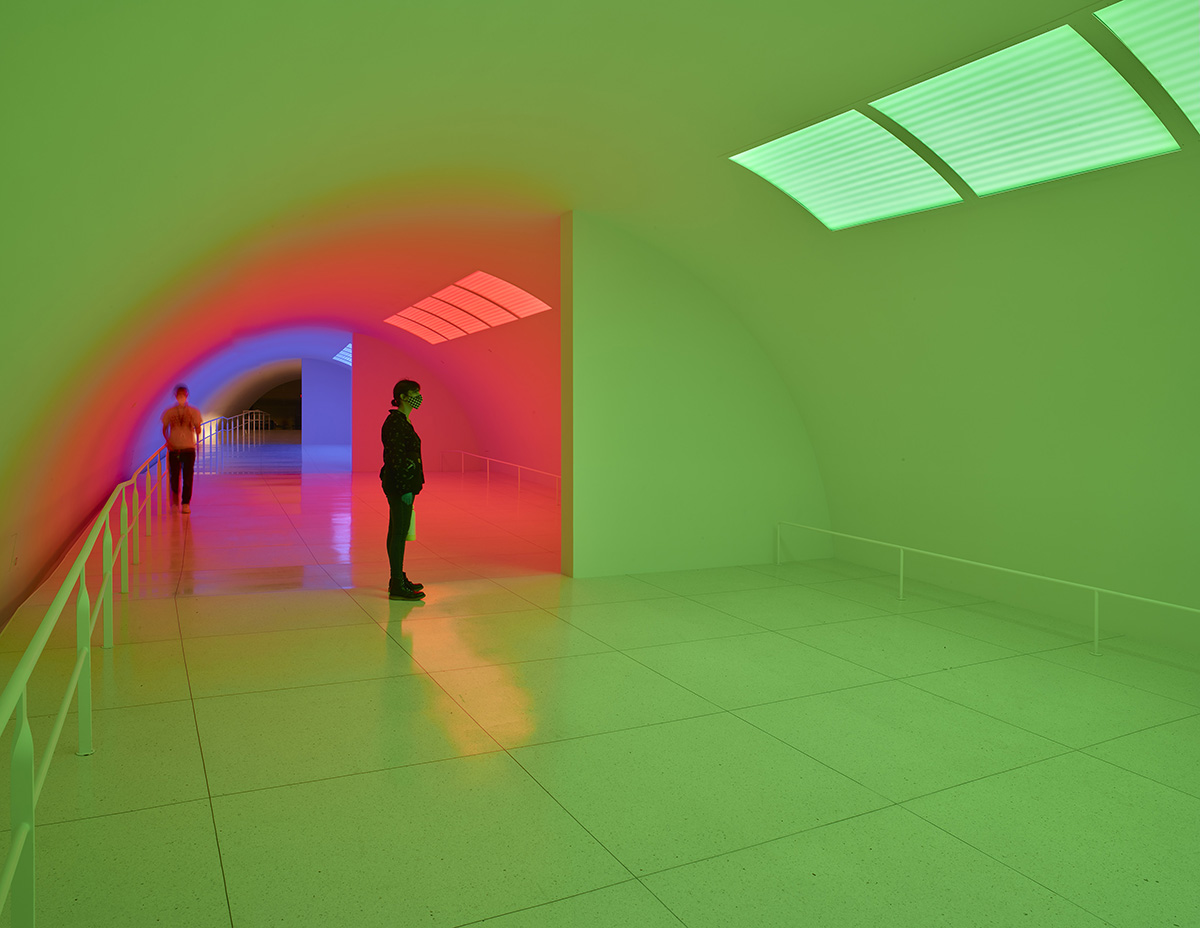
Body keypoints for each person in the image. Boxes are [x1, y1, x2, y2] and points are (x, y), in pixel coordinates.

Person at [381, 380, 426, 600]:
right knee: (399, 533)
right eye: (413, 393)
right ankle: (397, 584)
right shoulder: (396, 423)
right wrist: (405, 488)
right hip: (400, 487)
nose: (418, 396)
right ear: (402, 396)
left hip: (402, 485)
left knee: (396, 532)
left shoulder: (402, 421)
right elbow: (396, 460)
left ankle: (397, 578)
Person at [161, 384, 203, 513]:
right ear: (175, 396)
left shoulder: (194, 411)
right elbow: (164, 428)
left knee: (188, 477)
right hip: (174, 449)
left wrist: (197, 438)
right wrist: (168, 441)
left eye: (183, 395)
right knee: (174, 477)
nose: (181, 397)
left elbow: (198, 429)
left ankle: (185, 503)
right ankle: (174, 501)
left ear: (187, 395)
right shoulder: (169, 412)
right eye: (179, 395)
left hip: (189, 449)